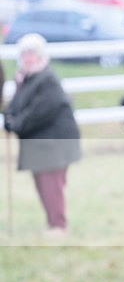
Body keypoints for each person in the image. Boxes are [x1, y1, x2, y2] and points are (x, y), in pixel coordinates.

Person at [3, 33, 81, 237]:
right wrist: (10, 119)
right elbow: (17, 106)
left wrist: (16, 124)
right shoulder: (25, 79)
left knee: (51, 184)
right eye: (24, 54)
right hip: (40, 142)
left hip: (55, 142)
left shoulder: (47, 80)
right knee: (42, 183)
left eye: (32, 54)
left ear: (40, 56)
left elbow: (41, 111)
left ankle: (58, 225)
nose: (28, 58)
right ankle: (52, 223)